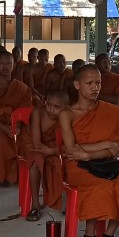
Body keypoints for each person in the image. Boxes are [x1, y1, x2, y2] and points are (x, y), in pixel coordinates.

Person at [60, 65, 119, 237]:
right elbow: (71, 150)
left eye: (98, 83)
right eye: (89, 83)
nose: (95, 87)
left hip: (107, 164)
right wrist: (105, 144)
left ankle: (108, 236)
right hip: (77, 167)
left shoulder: (111, 112)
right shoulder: (67, 114)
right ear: (77, 85)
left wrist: (88, 154)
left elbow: (115, 150)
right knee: (100, 187)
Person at [0, 51, 34, 186]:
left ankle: (21, 174)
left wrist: (17, 127)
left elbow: (24, 110)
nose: (6, 66)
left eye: (9, 63)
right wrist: (4, 128)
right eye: (2, 63)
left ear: (14, 65)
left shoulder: (20, 87)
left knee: (28, 138)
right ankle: (6, 175)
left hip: (16, 124)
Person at [22, 89, 68, 221]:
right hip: (33, 146)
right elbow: (37, 143)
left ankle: (64, 202)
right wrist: (51, 150)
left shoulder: (67, 117)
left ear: (66, 108)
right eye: (49, 105)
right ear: (45, 102)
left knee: (68, 162)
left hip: (53, 148)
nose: (51, 110)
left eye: (57, 107)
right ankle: (35, 204)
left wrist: (52, 151)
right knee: (36, 161)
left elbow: (70, 145)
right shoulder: (38, 113)